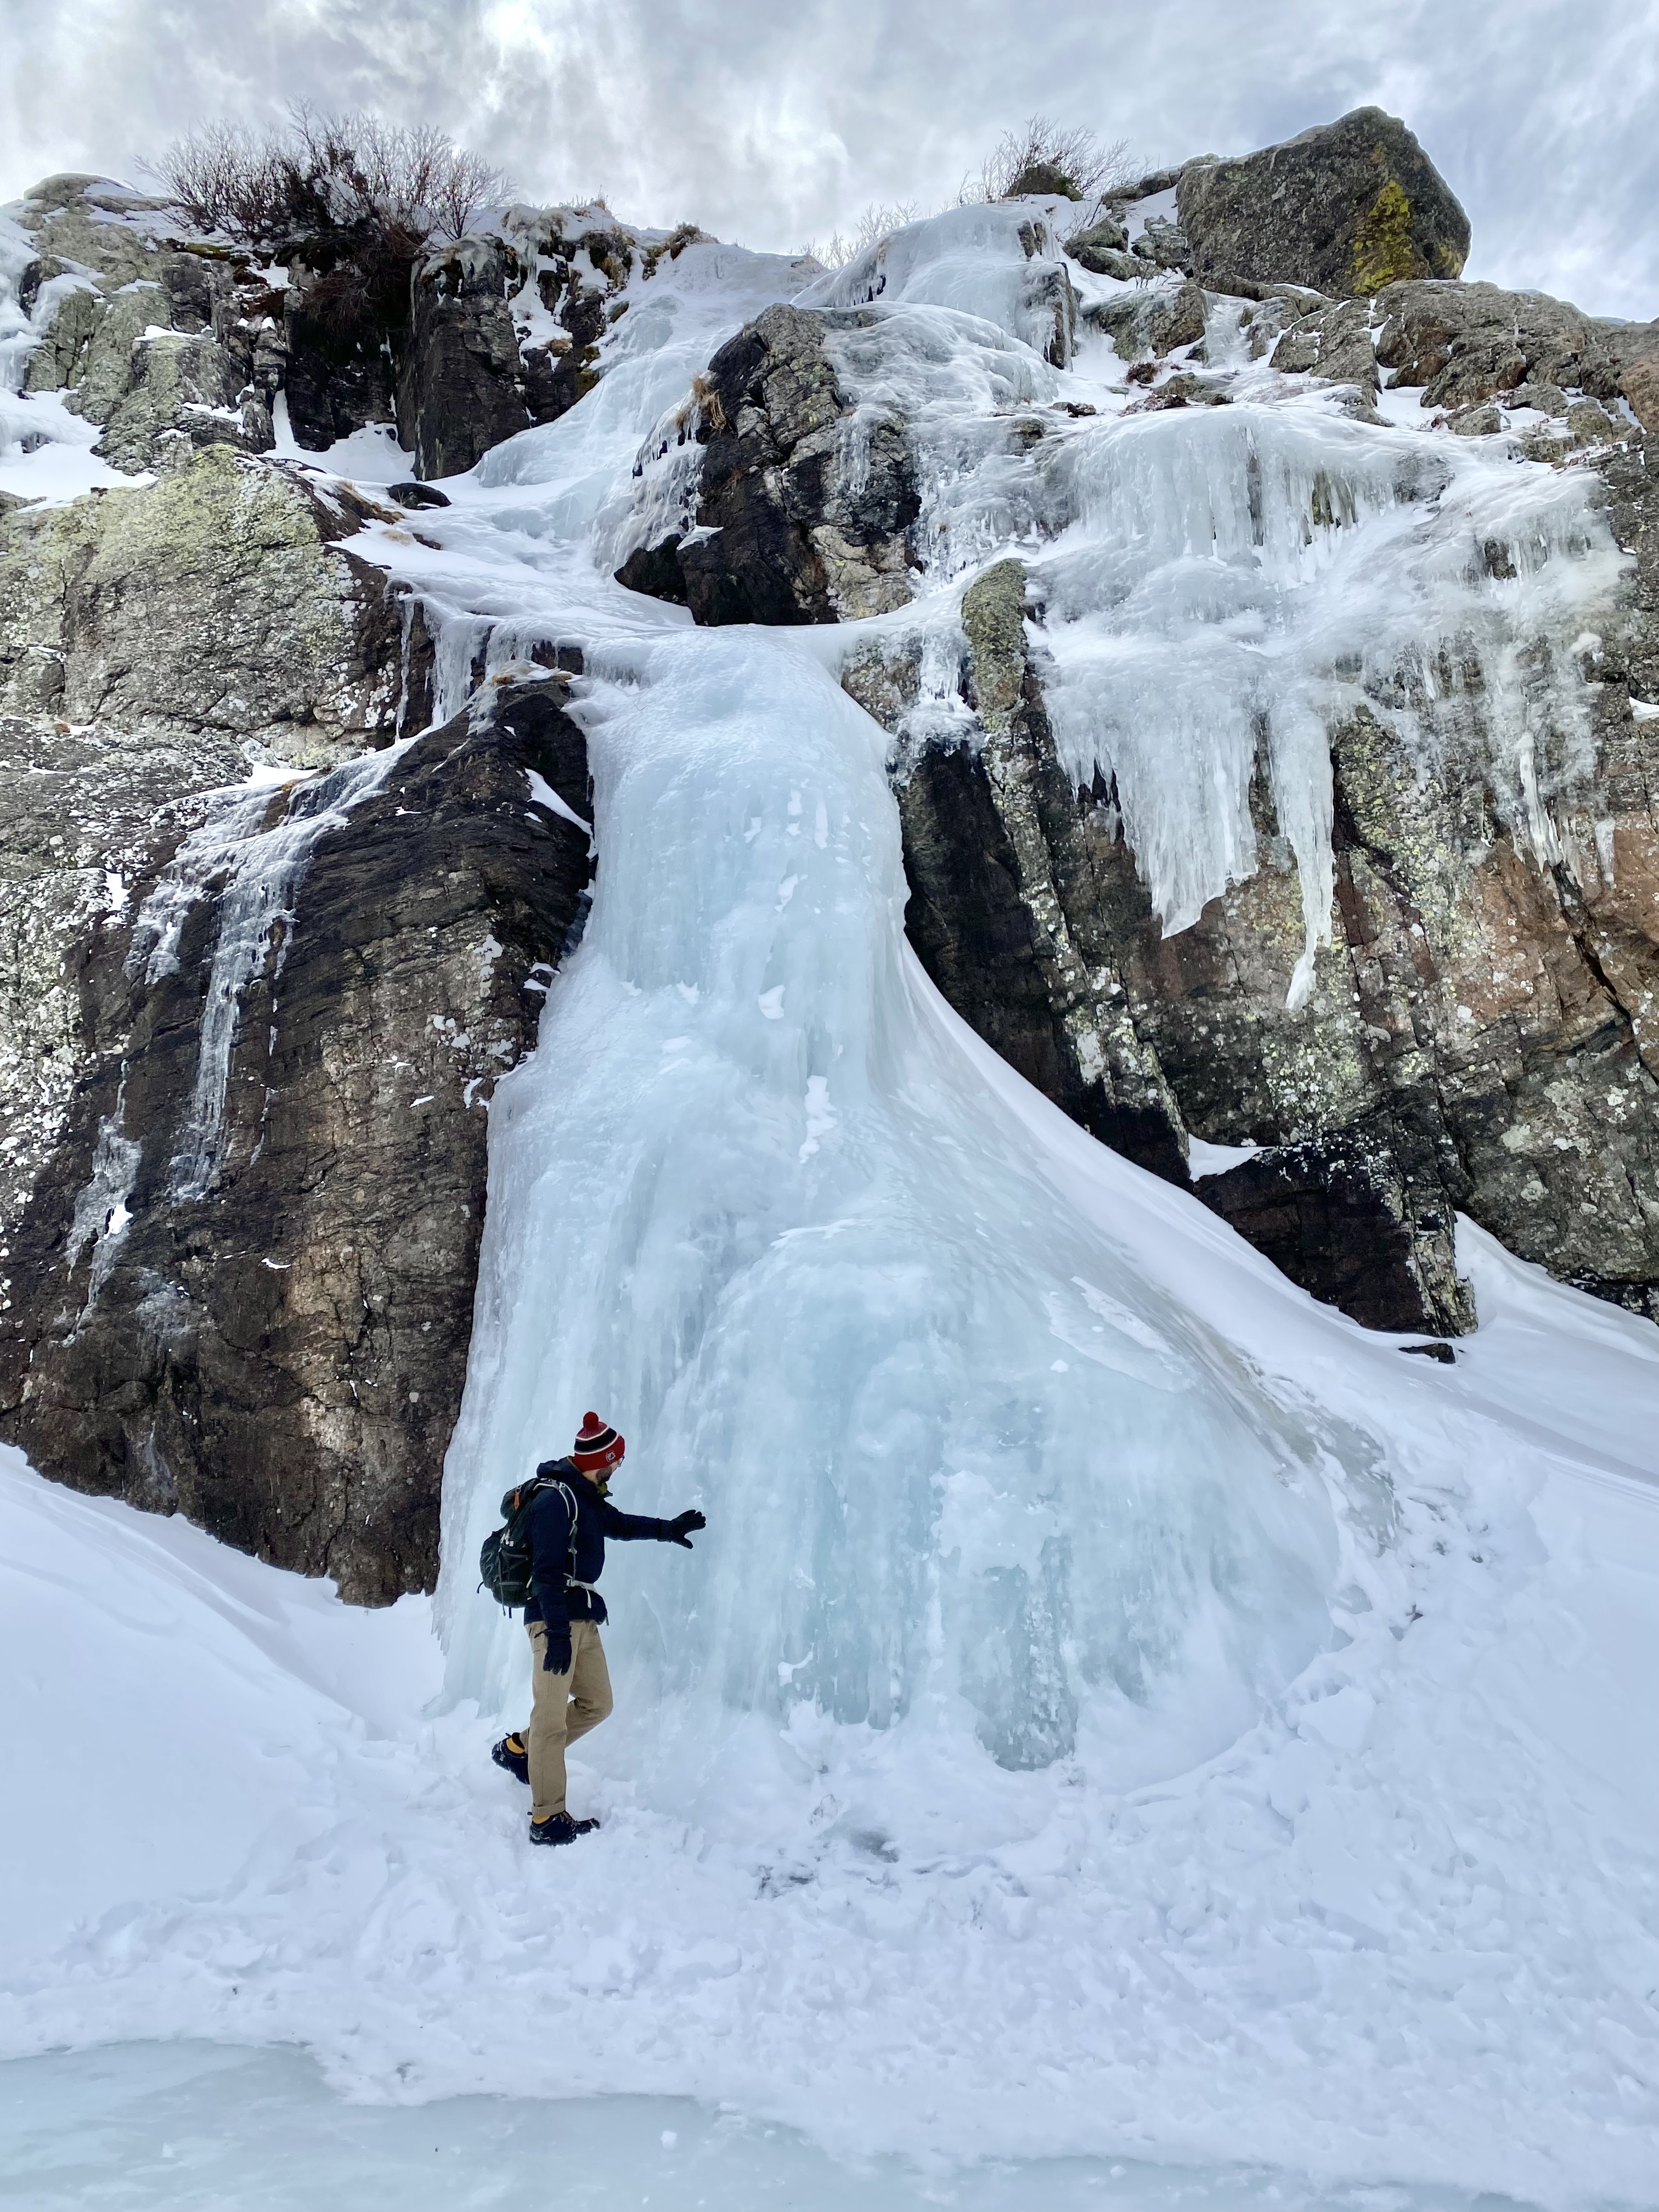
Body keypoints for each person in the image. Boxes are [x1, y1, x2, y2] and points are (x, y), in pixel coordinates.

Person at [492, 1410, 706, 1847]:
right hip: (555, 1621)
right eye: (617, 1459)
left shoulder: (585, 1499)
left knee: (598, 1703)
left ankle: (520, 1750)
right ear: (602, 1459)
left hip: (583, 1616)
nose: (619, 1466)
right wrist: (556, 1634)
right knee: (551, 1721)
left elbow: (622, 1525)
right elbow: (547, 1572)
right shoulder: (556, 1502)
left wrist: (670, 1529)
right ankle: (547, 1819)